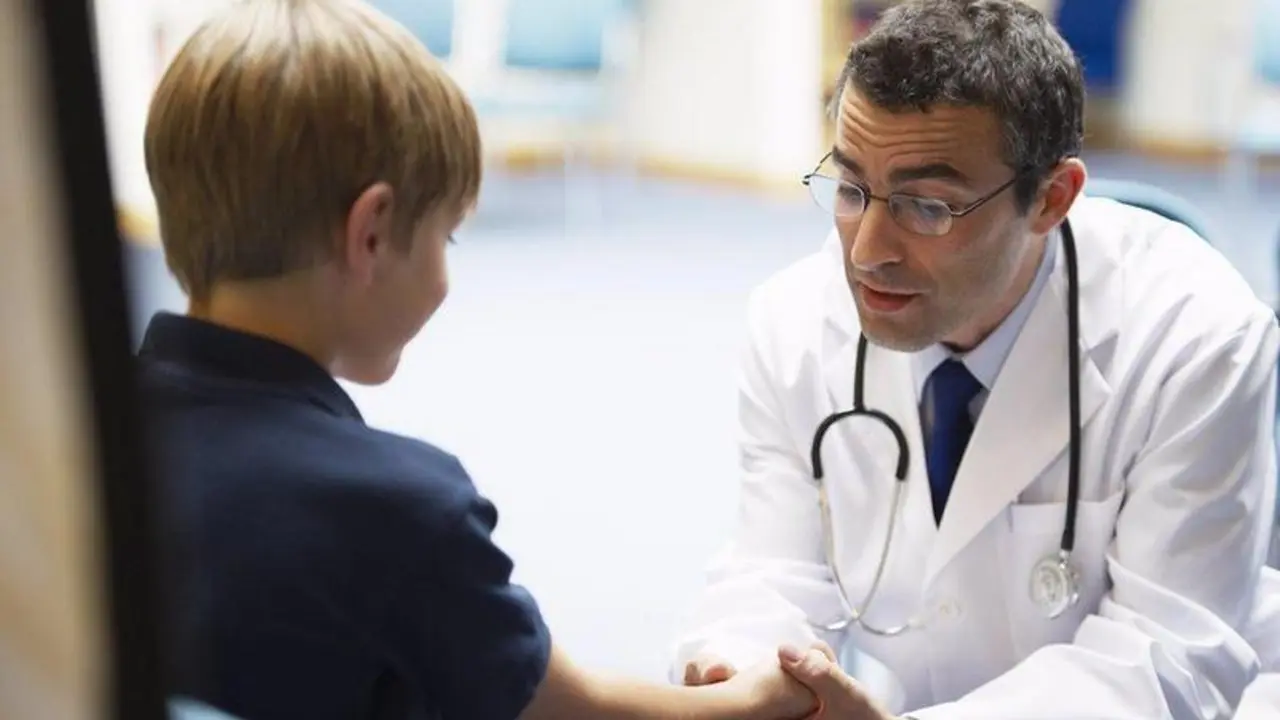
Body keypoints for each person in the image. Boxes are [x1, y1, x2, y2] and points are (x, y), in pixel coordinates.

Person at [134, 1, 846, 718]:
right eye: (448, 237)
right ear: (372, 235)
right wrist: (754, 698)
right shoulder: (398, 511)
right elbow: (577, 711)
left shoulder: (74, 434)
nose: (446, 266)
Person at [672, 1, 1280, 718]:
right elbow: (774, 572)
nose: (865, 252)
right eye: (849, 188)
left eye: (926, 206)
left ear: (1052, 198)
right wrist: (744, 676)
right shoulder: (793, 322)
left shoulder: (1196, 337)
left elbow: (1168, 661)